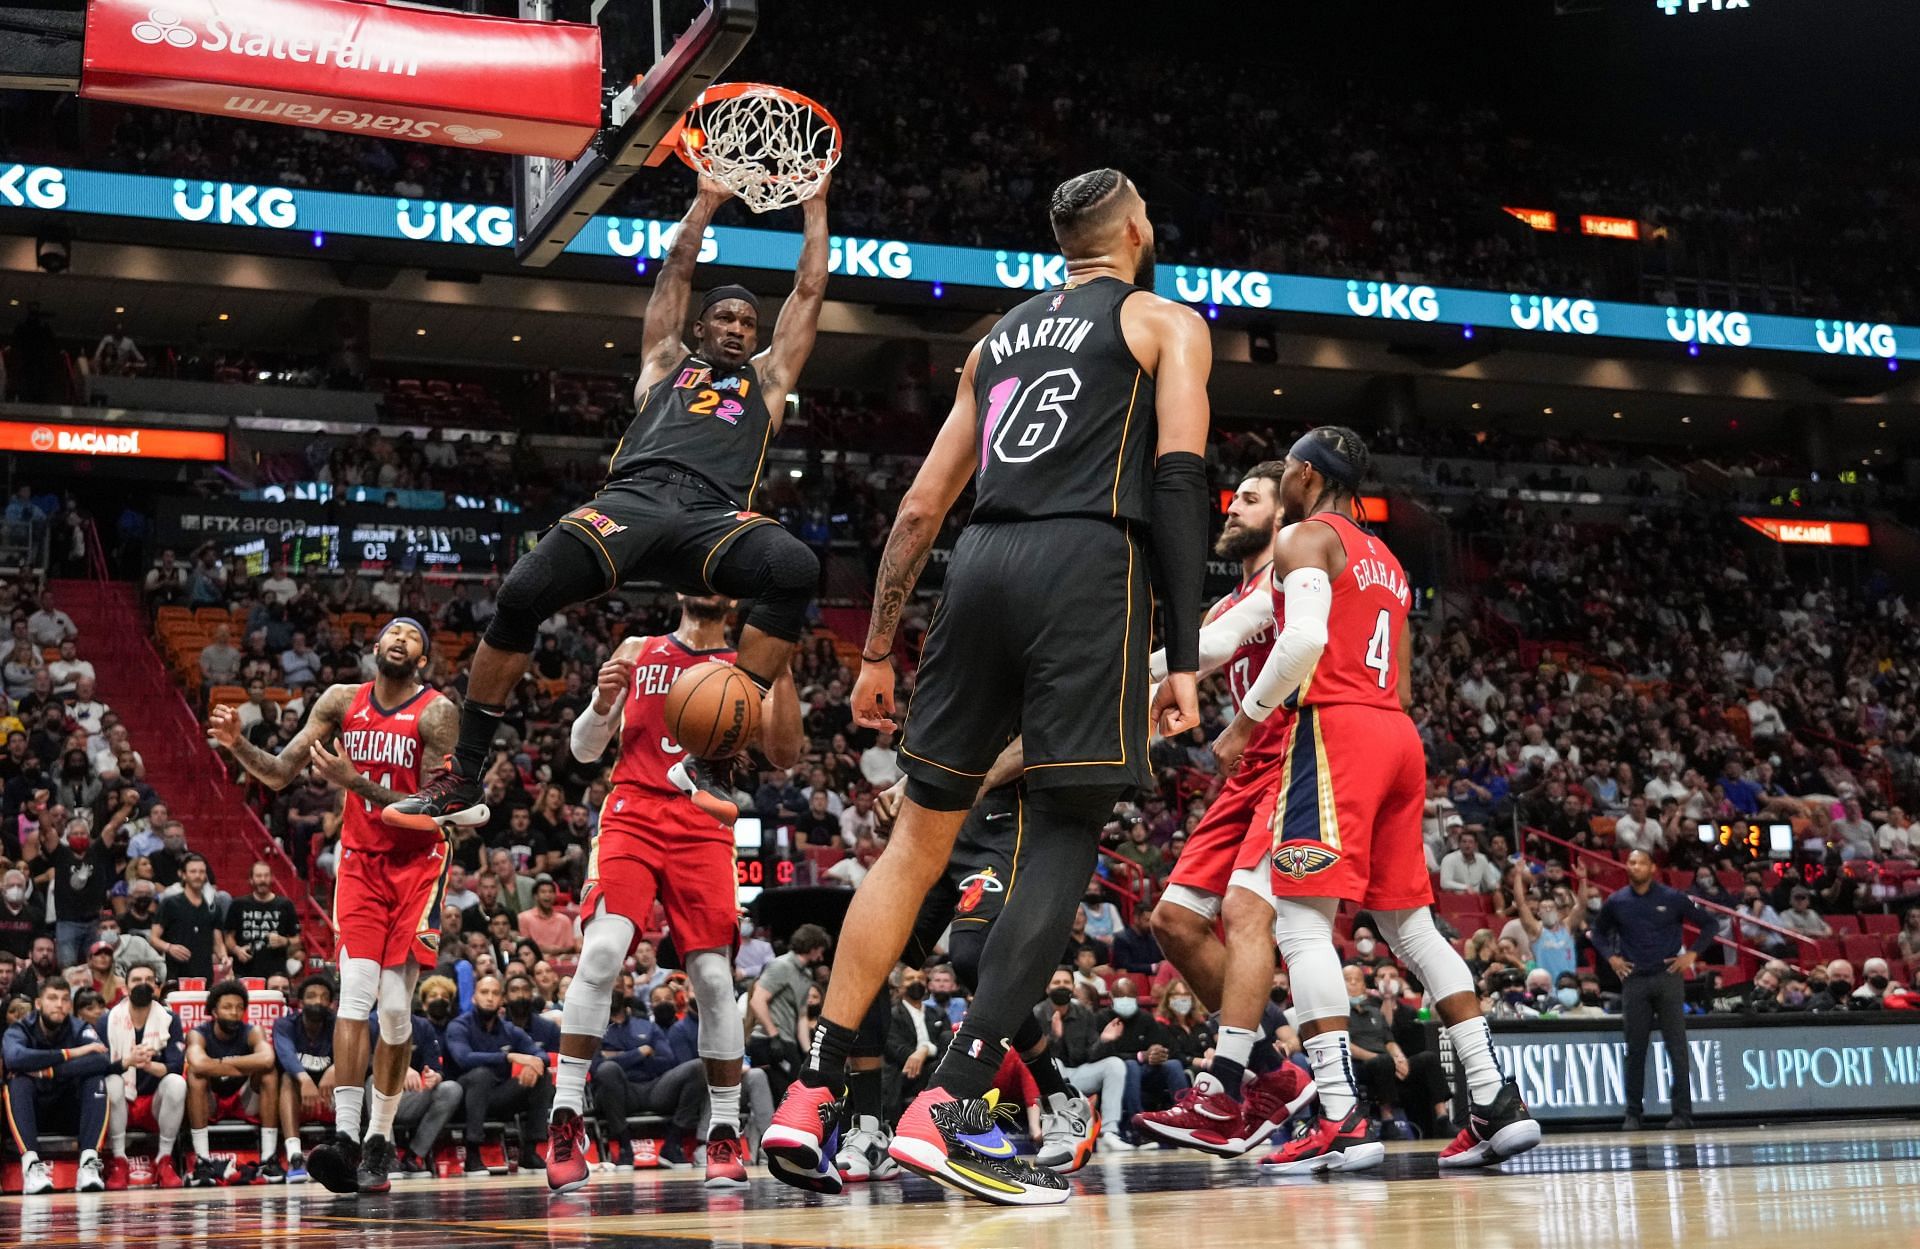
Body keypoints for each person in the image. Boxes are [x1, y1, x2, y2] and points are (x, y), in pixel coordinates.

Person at [769, 167, 1212, 1208]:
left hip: (978, 566)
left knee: (914, 844)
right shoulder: (1163, 322)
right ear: (1137, 229)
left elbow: (922, 507)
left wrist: (878, 648)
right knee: (1061, 831)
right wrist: (1184, 656)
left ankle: (812, 1086)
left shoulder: (993, 343)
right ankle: (953, 1104)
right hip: (1089, 566)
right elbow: (1183, 480)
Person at [386, 174, 832, 830]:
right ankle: (465, 774)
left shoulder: (767, 380)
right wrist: (705, 202)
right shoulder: (663, 360)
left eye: (747, 322)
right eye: (726, 318)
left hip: (713, 516)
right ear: (702, 325)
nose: (738, 329)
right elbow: (675, 270)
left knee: (794, 567)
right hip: (631, 500)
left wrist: (815, 202)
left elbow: (811, 288)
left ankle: (711, 758)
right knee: (519, 593)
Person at [1164, 426, 1537, 1173]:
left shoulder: (1307, 535)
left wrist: (1243, 725)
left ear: (1302, 475)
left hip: (1333, 733)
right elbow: (1398, 681)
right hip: (1397, 735)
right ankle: (1496, 1101)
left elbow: (1299, 644)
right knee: (1413, 930)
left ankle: (1340, 1113)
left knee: (1300, 922)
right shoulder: (1389, 561)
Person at [209, 617, 476, 1194]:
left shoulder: (436, 712)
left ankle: (382, 1138)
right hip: (359, 863)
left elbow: (438, 808)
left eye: (413, 638)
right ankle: (348, 1140)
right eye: (392, 634)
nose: (400, 641)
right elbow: (280, 774)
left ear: (423, 661)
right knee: (354, 994)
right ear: (375, 648)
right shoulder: (338, 701)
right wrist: (238, 744)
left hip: (419, 863)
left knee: (397, 1011)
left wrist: (357, 783)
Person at [545, 593, 772, 1194]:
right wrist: (599, 703)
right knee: (598, 956)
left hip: (703, 821)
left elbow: (772, 756)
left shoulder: (746, 667)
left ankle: (723, 1129)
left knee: (716, 981)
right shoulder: (636, 651)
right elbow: (584, 750)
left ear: (731, 595)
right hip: (632, 813)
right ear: (677, 591)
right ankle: (566, 1115)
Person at [1591, 849, 1723, 1130]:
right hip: (1634, 979)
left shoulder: (1673, 898)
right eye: (1630, 862)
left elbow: (1710, 924)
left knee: (1677, 1047)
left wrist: (1693, 954)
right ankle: (1633, 1114)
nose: (1634, 866)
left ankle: (1682, 1113)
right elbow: (1597, 932)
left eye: (1640, 862)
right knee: (1635, 1049)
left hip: (1668, 976)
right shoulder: (1617, 901)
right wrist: (1611, 958)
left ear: (1652, 867)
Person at [3, 979, 113, 1194]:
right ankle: (32, 1166)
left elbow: (101, 1059)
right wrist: (70, 1054)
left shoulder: (79, 1027)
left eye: (64, 999)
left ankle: (89, 1163)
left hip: (68, 1109)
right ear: (38, 1003)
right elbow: (15, 1059)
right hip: (33, 1112)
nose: (59, 1005)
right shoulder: (21, 1028)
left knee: (96, 1078)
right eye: (52, 998)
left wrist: (50, 1071)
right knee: (17, 1081)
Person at [585, 987, 707, 1171]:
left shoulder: (646, 1025)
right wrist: (640, 1052)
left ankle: (673, 1143)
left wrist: (616, 1056)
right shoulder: (594, 1030)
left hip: (655, 1087)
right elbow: (596, 1067)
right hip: (622, 1092)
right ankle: (625, 1147)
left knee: (698, 1067)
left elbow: (668, 1060)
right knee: (607, 1070)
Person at [444, 973, 551, 1177]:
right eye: (484, 992)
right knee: (481, 1075)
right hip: (462, 1100)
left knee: (542, 1076)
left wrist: (534, 1065)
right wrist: (508, 1057)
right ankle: (473, 1153)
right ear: (474, 997)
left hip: (497, 1097)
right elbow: (464, 1058)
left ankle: (529, 1151)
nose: (490, 997)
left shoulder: (509, 1030)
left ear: (502, 999)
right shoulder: (459, 1026)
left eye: (495, 993)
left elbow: (542, 1055)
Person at [183, 979, 282, 1186]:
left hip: (243, 1099)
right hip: (211, 1102)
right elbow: (198, 1063)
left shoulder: (252, 1031)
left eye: (239, 1008)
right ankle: (202, 1161)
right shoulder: (198, 1034)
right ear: (215, 1012)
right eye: (227, 1007)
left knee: (269, 1073)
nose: (234, 1013)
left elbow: (267, 1058)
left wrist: (222, 1063)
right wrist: (243, 1065)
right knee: (195, 1075)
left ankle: (268, 1159)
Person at [103, 963, 187, 1188]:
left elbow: (176, 1066)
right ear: (125, 988)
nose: (143, 984)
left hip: (154, 1104)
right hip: (121, 1102)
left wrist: (147, 1064)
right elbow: (99, 1066)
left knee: (177, 1083)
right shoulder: (108, 1020)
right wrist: (127, 1062)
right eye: (136, 980)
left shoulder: (170, 1019)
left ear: (157, 988)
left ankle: (164, 1159)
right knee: (111, 1081)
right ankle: (119, 1159)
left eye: (149, 979)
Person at [273, 974, 341, 1181]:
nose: (318, 1001)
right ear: (300, 1003)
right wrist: (304, 1079)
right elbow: (285, 1054)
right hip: (298, 1097)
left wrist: (335, 1069)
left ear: (331, 1003)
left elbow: (355, 1053)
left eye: (323, 997)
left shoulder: (339, 1024)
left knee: (350, 1078)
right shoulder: (285, 1024)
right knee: (286, 1078)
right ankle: (295, 1155)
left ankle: (346, 1151)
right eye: (311, 996)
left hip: (330, 1095)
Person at [151, 852, 225, 983]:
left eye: (202, 872)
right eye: (193, 871)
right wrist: (169, 947)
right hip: (176, 975)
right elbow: (153, 938)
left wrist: (224, 958)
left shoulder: (213, 906)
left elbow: (218, 943)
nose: (198, 876)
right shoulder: (170, 903)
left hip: (205, 977)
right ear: (183, 874)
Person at [225, 861, 301, 980]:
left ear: (271, 878)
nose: (262, 880)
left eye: (266, 876)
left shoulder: (285, 905)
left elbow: (297, 940)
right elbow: (228, 937)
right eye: (258, 876)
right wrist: (236, 950)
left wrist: (284, 941)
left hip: (276, 974)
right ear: (251, 879)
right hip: (244, 972)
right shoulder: (238, 904)